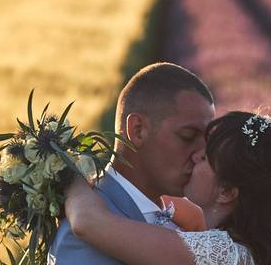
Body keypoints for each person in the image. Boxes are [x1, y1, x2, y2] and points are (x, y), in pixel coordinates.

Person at [64, 110, 271, 265]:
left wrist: (64, 170)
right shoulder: (247, 250)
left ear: (227, 192)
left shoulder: (220, 254)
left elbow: (87, 223)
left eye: (206, 158)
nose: (194, 156)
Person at [47, 62, 216, 265]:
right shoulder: (82, 240)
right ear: (137, 130)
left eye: (208, 140)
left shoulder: (189, 219)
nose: (202, 153)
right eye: (188, 136)